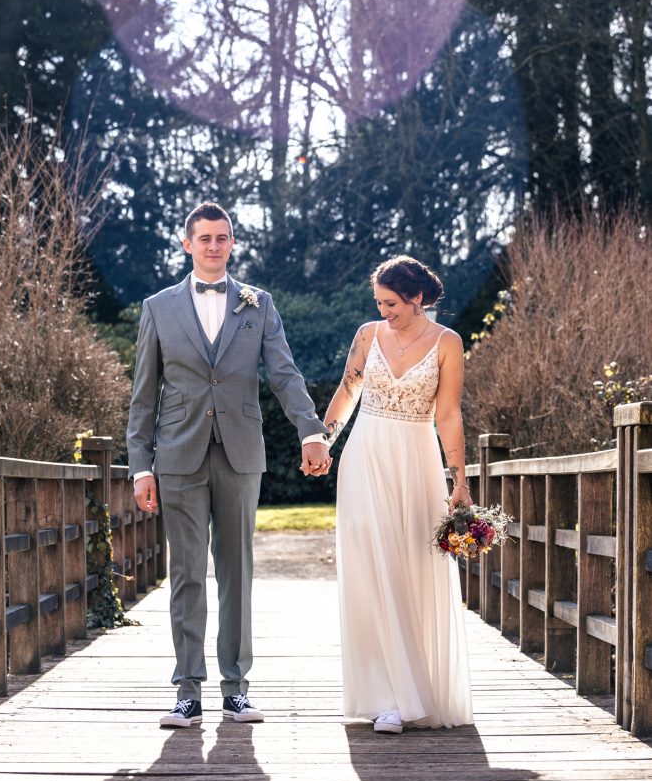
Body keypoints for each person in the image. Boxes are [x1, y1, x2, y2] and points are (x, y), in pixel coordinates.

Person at [127, 201, 330, 728]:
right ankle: (187, 690)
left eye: (223, 238)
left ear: (232, 243)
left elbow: (283, 373)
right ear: (187, 243)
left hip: (241, 453)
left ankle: (236, 687)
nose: (214, 246)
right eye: (205, 238)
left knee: (236, 573)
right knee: (186, 573)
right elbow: (143, 397)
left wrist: (310, 430)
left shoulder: (257, 304)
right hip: (176, 454)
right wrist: (140, 466)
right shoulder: (158, 307)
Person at [323, 255, 473, 734]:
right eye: (379, 303)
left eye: (391, 303)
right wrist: (321, 441)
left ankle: (415, 692)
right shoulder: (368, 335)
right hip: (365, 456)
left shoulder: (448, 343)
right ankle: (384, 696)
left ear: (417, 299)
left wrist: (460, 482)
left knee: (410, 568)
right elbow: (348, 392)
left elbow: (448, 415)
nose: (384, 311)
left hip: (416, 461)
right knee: (372, 566)